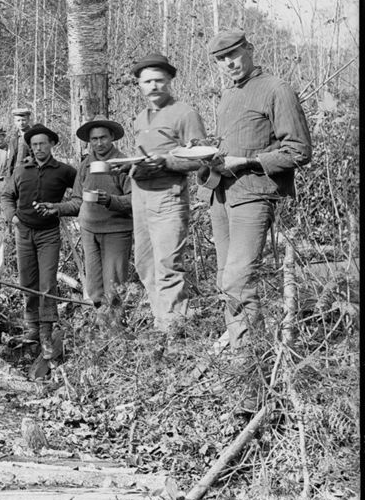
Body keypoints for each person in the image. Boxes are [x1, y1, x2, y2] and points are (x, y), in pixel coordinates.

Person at [203, 31, 312, 351]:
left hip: (253, 195)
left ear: (249, 49)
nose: (228, 63)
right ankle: (244, 357)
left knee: (237, 281)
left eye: (233, 55)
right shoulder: (228, 95)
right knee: (226, 281)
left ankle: (252, 365)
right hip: (220, 194)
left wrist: (247, 161)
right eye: (221, 59)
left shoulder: (277, 90)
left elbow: (300, 152)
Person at [129, 53, 206, 334]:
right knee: (145, 265)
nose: (154, 86)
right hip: (141, 196)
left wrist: (166, 161)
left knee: (168, 265)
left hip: (169, 196)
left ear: (170, 81)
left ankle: (174, 333)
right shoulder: (140, 118)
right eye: (147, 81)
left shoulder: (185, 113)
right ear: (139, 85)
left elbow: (201, 159)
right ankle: (161, 325)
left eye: (159, 81)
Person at [3, 124, 77, 359]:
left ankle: (46, 333)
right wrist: (12, 216)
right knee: (27, 281)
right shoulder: (22, 170)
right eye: (34, 145)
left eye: (42, 144)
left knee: (47, 284)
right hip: (23, 232)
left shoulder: (64, 171)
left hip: (48, 234)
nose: (37, 148)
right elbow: (6, 195)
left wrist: (59, 209)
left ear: (52, 144)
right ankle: (32, 326)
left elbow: (80, 197)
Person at [55, 117, 133, 322]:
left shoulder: (122, 163)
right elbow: (77, 201)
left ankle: (115, 329)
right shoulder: (85, 165)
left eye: (103, 138)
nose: (99, 143)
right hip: (89, 230)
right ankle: (101, 328)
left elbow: (135, 199)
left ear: (112, 137)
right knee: (94, 285)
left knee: (114, 285)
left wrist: (111, 200)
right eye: (94, 139)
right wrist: (55, 208)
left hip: (116, 230)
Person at [5, 106, 35, 174]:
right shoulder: (13, 138)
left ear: (28, 120)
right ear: (15, 122)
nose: (21, 123)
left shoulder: (33, 136)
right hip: (14, 173)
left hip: (29, 172)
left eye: (23, 120)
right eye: (18, 120)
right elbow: (10, 157)